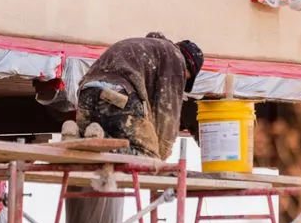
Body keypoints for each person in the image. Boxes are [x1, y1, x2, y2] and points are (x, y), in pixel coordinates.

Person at [35, 33, 203, 160]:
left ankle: (75, 133)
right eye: (185, 78)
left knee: (88, 149)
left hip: (87, 94)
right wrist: (160, 156)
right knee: (146, 154)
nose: (182, 80)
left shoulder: (146, 48)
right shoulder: (175, 58)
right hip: (119, 96)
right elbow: (168, 114)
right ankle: (101, 139)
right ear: (188, 67)